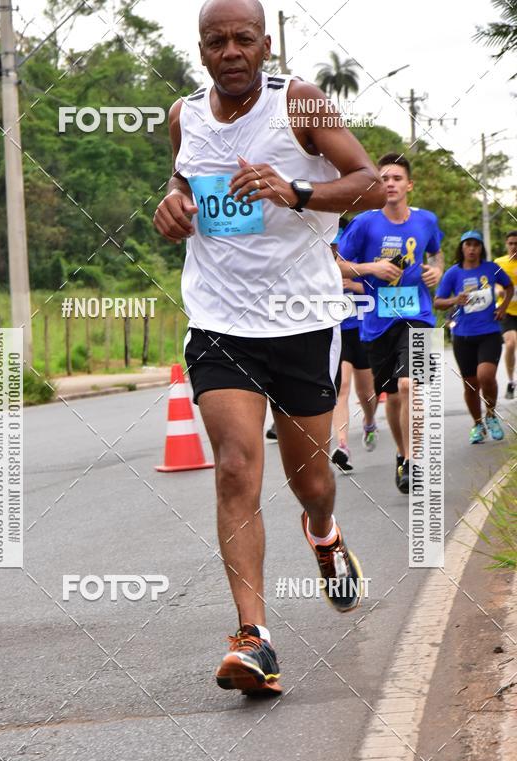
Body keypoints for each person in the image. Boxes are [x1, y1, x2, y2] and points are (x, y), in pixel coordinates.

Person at [153, 0, 386, 696]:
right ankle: (255, 637)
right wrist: (172, 204)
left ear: (265, 44)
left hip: (304, 320)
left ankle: (323, 532)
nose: (230, 51)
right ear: (201, 51)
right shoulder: (182, 116)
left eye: (243, 39)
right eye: (216, 41)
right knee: (233, 467)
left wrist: (297, 190)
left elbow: (369, 183)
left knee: (309, 482)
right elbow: (184, 180)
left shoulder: (301, 105)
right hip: (220, 321)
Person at [337, 152, 444, 494]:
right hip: (377, 323)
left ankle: (413, 460)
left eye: (397, 178)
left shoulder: (426, 220)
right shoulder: (364, 223)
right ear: (377, 185)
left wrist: (437, 270)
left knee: (410, 386)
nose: (390, 183)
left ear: (409, 185)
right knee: (394, 395)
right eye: (384, 178)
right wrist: (371, 269)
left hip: (419, 316)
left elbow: (436, 252)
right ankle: (403, 454)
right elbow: (337, 265)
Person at [435, 230, 513, 443]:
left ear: (481, 248)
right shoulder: (453, 273)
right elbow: (438, 301)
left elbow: (509, 287)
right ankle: (477, 424)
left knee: (486, 376)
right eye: (467, 244)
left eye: (476, 245)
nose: (471, 248)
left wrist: (503, 308)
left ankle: (491, 415)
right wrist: (454, 300)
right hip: (462, 335)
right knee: (470, 385)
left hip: (489, 332)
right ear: (462, 248)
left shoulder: (491, 268)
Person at [330, 223, 378, 473]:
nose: (335, 250)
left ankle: (369, 422)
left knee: (366, 392)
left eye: (338, 245)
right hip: (338, 333)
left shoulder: (359, 261)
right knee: (342, 388)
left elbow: (379, 288)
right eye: (331, 246)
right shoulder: (321, 265)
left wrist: (356, 286)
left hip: (362, 329)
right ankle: (342, 445)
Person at [494, 230, 517, 399]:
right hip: (506, 311)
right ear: (506, 245)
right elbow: (493, 284)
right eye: (511, 243)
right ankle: (511, 381)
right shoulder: (499, 262)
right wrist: (500, 291)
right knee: (510, 344)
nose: (514, 247)